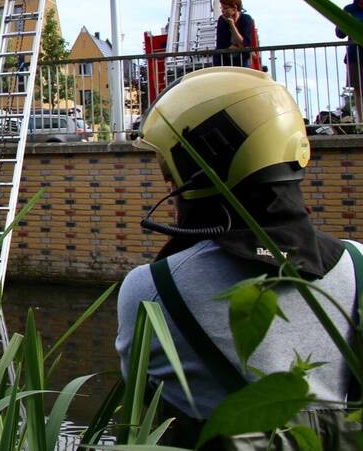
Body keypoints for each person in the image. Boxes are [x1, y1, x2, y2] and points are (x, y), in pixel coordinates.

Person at [116, 67, 361, 446]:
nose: (169, 185)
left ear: (200, 172)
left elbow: (140, 400)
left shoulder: (151, 291)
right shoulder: (358, 265)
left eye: (170, 174)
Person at [335, 0, 363, 123]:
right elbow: (340, 34)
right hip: (355, 56)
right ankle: (362, 122)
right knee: (359, 90)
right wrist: (345, 21)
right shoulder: (349, 10)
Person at [213, 0, 256, 68]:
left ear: (235, 8)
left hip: (241, 61)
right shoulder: (222, 19)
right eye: (221, 8)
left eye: (225, 8)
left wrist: (232, 24)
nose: (222, 11)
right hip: (223, 60)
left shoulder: (246, 19)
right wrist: (245, 49)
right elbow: (222, 45)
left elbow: (245, 43)